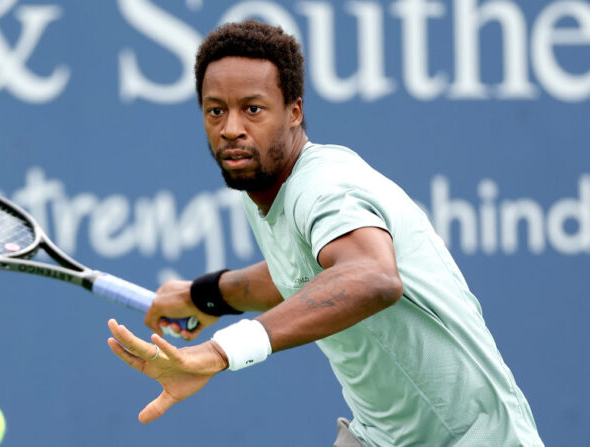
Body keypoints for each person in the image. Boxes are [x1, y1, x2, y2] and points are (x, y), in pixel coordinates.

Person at [106, 20, 543, 446]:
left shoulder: (325, 186)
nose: (231, 128)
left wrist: (221, 352)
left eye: (252, 109)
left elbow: (372, 276)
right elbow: (302, 274)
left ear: (294, 112)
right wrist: (207, 295)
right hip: (380, 436)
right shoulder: (261, 179)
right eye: (215, 110)